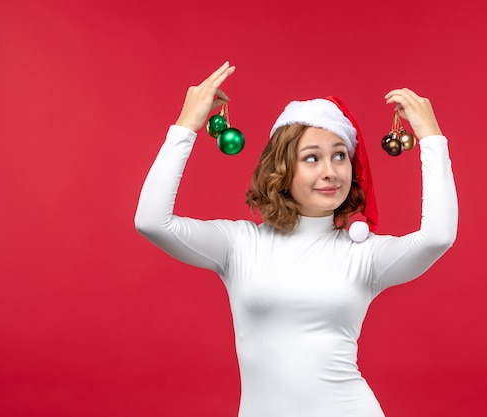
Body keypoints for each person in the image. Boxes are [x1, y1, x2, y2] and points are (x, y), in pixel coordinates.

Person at [135, 62, 458, 417]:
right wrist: (186, 128)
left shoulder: (364, 254)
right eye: (311, 158)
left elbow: (437, 237)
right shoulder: (240, 244)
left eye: (339, 155)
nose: (330, 171)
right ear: (282, 170)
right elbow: (152, 221)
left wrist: (431, 138)